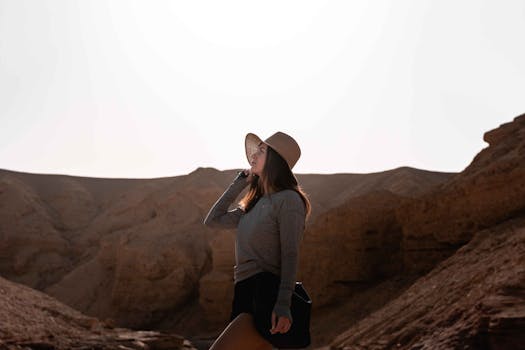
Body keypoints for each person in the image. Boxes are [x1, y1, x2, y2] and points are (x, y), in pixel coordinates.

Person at [204, 131, 311, 350]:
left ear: (275, 160)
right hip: (244, 289)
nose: (253, 155)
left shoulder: (289, 200)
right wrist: (239, 183)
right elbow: (212, 220)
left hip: (266, 292)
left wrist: (283, 304)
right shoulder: (253, 204)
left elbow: (290, 255)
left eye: (261, 151)